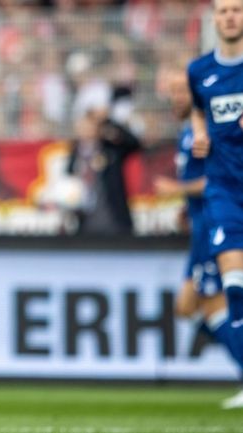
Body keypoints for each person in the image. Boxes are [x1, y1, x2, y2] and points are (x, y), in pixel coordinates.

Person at [155, 69, 243, 408]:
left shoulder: (207, 132)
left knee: (208, 302)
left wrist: (176, 190)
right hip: (200, 225)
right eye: (174, 92)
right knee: (188, 306)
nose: (177, 98)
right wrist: (185, 204)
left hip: (214, 227)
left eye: (182, 92)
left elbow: (219, 180)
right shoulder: (187, 132)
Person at [188, 0, 243, 408]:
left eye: (237, 10)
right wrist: (199, 134)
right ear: (215, 19)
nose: (230, 17)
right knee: (234, 285)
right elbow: (196, 108)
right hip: (223, 189)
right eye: (224, 11)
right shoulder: (199, 71)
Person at [65, 87, 142, 236]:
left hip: (113, 220)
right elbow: (69, 178)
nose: (86, 128)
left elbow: (135, 144)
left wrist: (108, 120)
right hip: (85, 221)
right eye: (84, 123)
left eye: (91, 123)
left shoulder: (111, 148)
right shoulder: (75, 151)